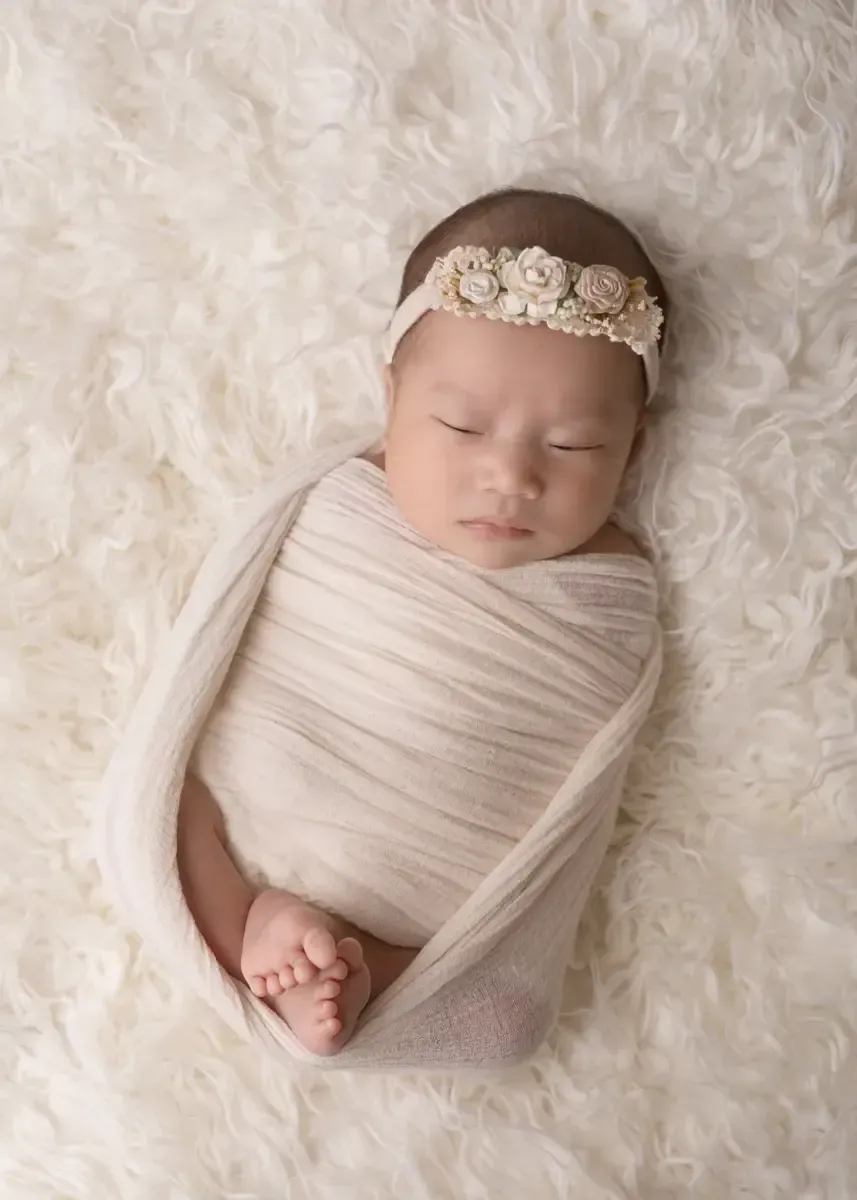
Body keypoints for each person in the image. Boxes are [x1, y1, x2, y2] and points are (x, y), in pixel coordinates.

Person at [176, 186, 669, 1057]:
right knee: (171, 813)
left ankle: (357, 970)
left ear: (634, 442)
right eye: (460, 424)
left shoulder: (613, 592)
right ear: (392, 396)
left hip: (433, 888)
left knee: (504, 1010)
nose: (510, 477)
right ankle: (262, 927)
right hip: (269, 796)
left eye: (571, 446)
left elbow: (569, 794)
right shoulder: (342, 506)